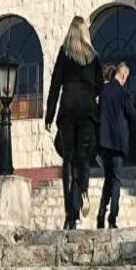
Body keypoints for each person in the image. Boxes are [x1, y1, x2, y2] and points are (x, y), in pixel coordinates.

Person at [45, 16, 104, 230]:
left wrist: (49, 115)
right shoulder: (94, 57)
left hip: (68, 109)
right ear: (85, 33)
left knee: (68, 160)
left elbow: (55, 86)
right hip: (87, 111)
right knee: (83, 158)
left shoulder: (64, 54)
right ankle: (82, 193)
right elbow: (100, 88)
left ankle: (71, 214)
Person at [97, 62, 136, 229]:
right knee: (116, 181)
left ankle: (101, 214)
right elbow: (133, 116)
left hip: (104, 142)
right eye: (126, 77)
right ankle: (112, 218)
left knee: (108, 179)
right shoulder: (123, 94)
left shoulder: (103, 91)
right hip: (118, 143)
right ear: (123, 75)